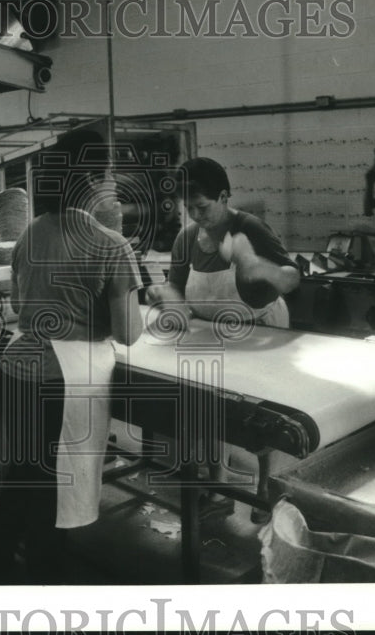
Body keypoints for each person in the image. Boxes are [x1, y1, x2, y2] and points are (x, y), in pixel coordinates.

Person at [0, 128, 142, 584]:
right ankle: (45, 585)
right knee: (53, 490)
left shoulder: (29, 235)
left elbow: (18, 306)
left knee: (23, 474)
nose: (111, 181)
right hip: (64, 379)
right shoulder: (111, 245)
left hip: (18, 368)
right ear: (93, 180)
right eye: (108, 173)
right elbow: (129, 333)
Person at [145, 157, 301, 524]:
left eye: (203, 207)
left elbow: (292, 279)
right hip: (215, 334)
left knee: (261, 413)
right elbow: (177, 289)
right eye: (189, 208)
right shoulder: (187, 239)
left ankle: (266, 489)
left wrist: (257, 266)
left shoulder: (250, 227)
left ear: (224, 196)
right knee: (208, 402)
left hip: (261, 329)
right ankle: (219, 486)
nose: (196, 215)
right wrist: (164, 296)